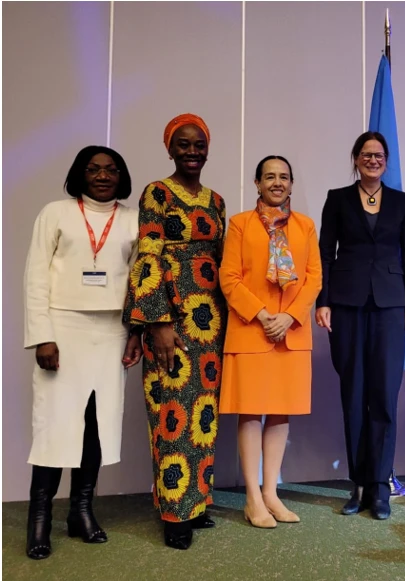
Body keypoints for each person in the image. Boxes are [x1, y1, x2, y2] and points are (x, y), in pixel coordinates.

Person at [23, 146, 141, 559]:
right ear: (79, 174)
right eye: (93, 169)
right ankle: (39, 519)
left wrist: (135, 332)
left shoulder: (132, 219)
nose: (103, 176)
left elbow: (140, 282)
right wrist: (42, 335)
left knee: (96, 423)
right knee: (55, 423)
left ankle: (81, 511)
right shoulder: (55, 213)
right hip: (63, 327)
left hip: (111, 330)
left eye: (111, 169)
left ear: (122, 176)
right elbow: (35, 276)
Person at [123, 114, 226, 549]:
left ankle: (195, 502)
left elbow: (222, 259)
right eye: (183, 144)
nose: (192, 151)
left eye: (198, 144)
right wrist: (157, 322)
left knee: (203, 414)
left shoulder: (217, 201)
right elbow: (148, 255)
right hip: (172, 315)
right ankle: (174, 512)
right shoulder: (157, 193)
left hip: (211, 320)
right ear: (170, 149)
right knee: (171, 412)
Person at [316, 131, 405, 520]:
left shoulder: (401, 201)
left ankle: (380, 486)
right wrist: (323, 300)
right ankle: (359, 484)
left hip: (391, 306)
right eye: (366, 154)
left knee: (385, 396)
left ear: (386, 161)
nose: (373, 160)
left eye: (379, 155)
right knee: (354, 395)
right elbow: (325, 254)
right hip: (347, 305)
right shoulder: (337, 198)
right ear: (356, 159)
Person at [220, 156, 321, 527]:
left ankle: (270, 493)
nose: (277, 183)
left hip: (290, 332)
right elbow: (229, 277)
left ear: (291, 184)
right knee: (250, 411)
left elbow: (313, 278)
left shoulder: (306, 226)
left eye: (284, 177)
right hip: (252, 330)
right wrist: (263, 315)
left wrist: (289, 317)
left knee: (281, 411)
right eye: (269, 177)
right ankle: (252, 497)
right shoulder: (240, 224)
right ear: (257, 183)